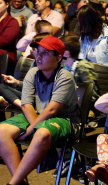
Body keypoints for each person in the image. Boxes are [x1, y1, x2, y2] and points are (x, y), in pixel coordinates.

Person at [0, 36, 80, 185]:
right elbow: (26, 104)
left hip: (65, 119)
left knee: (42, 133)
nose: (39, 56)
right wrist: (33, 127)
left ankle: (13, 183)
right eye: (38, 51)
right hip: (36, 115)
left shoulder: (65, 77)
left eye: (46, 53)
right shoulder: (33, 72)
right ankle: (20, 182)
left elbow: (52, 110)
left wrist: (31, 130)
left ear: (58, 58)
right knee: (1, 131)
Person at [0, 0, 20, 75]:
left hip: (5, 57)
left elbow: (5, 40)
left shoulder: (12, 22)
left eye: (0, 3)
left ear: (7, 5)